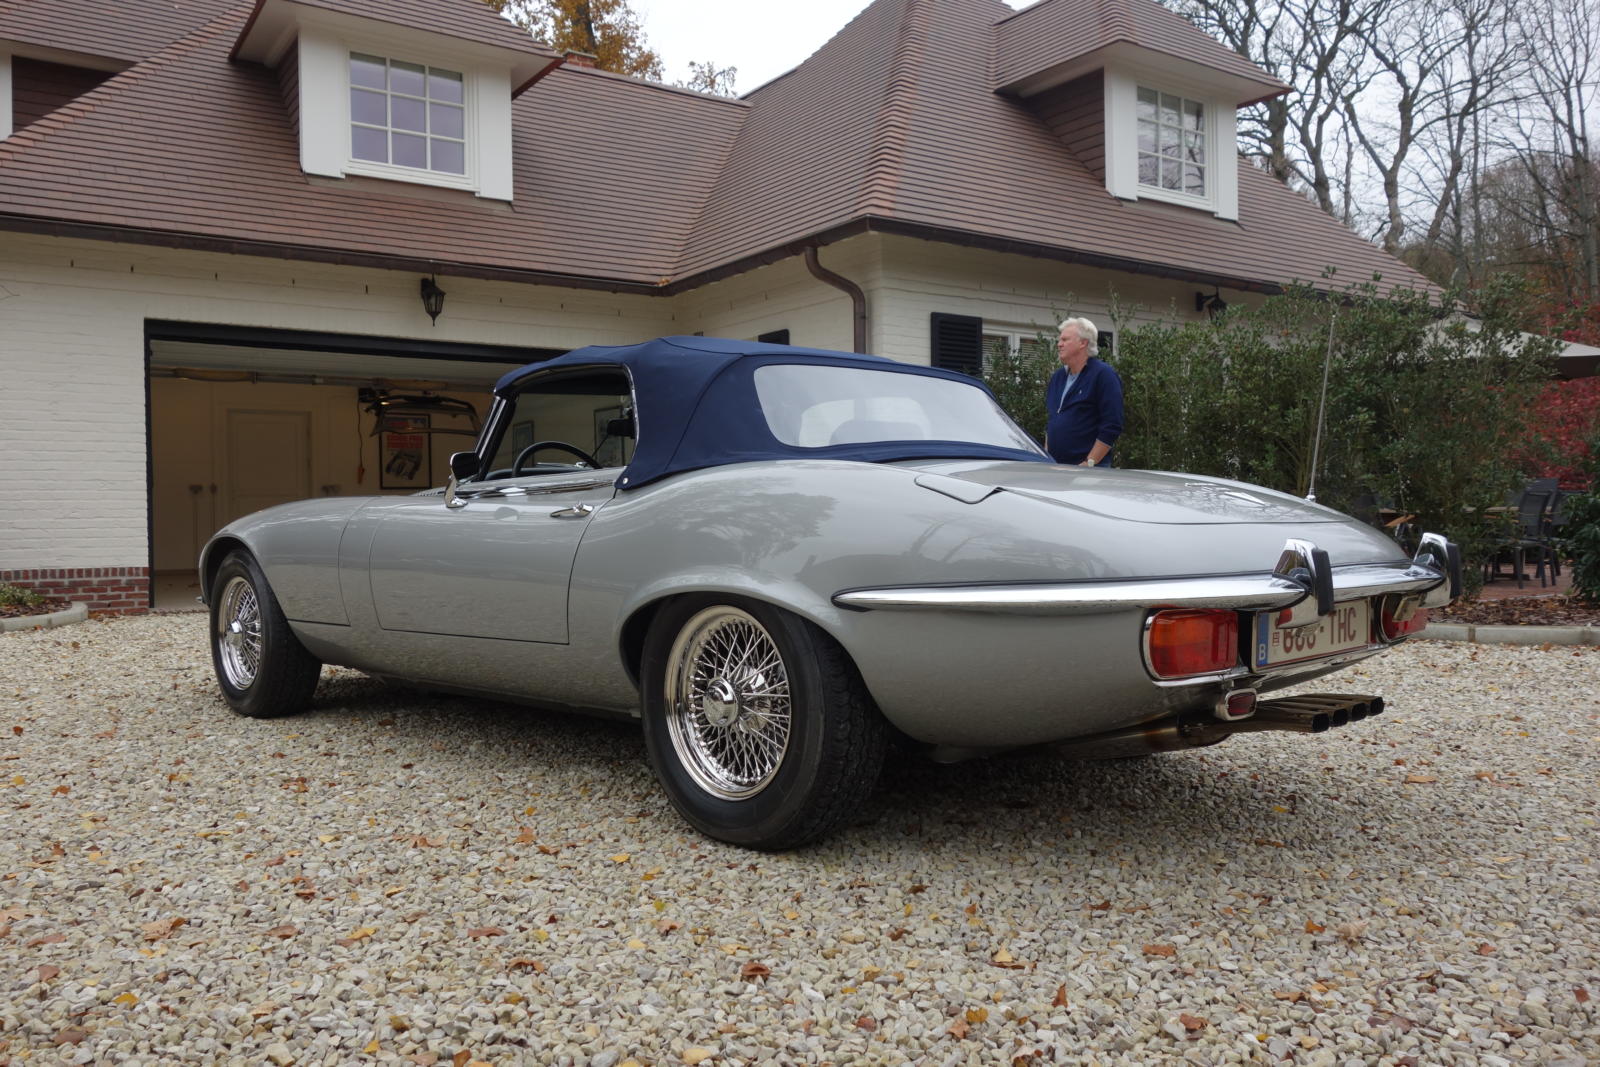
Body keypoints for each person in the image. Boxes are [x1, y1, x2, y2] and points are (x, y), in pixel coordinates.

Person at [1044, 316, 1123, 467]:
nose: (1059, 344)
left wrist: (1089, 463)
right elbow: (1052, 420)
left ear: (1083, 343)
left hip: (1089, 471)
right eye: (1059, 340)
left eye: (1065, 340)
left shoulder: (1104, 375)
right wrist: (1047, 458)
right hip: (1056, 469)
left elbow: (1112, 425)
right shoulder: (1058, 377)